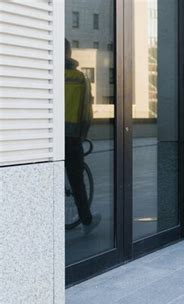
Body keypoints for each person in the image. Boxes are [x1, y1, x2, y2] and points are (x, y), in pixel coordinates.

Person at [65, 39, 101, 234]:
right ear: (69, 53)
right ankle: (85, 219)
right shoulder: (79, 78)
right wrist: (82, 135)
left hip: (47, 137)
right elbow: (87, 113)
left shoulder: (47, 74)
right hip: (71, 138)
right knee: (77, 180)